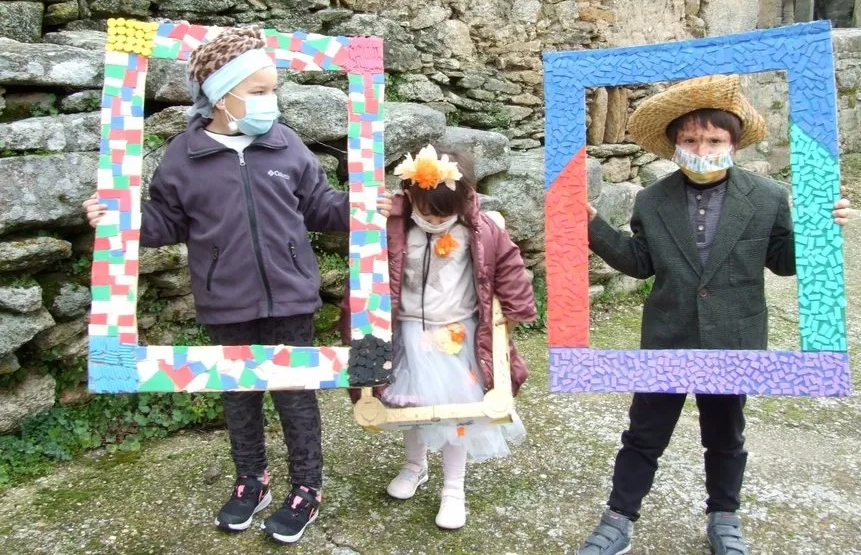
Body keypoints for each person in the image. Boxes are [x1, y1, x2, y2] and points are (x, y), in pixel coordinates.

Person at [83, 27, 391, 544]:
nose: (272, 101)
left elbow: (319, 206)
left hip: (291, 297)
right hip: (225, 300)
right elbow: (165, 222)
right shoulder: (184, 156)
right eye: (259, 91)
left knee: (295, 396)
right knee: (239, 395)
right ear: (222, 96)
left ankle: (306, 488)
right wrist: (119, 219)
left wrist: (360, 207)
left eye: (274, 89)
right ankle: (252, 481)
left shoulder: (287, 145)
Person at [576, 75, 850, 555]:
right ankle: (618, 519)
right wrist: (591, 225)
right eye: (690, 140)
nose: (702, 149)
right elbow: (640, 263)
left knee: (725, 436)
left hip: (734, 339)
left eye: (714, 140)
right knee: (643, 434)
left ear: (734, 144)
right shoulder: (652, 200)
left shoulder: (766, 197)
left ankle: (724, 517)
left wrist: (822, 231)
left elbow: (784, 262)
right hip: (668, 337)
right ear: (674, 145)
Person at [346, 144, 536, 529]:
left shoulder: (481, 230)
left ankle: (454, 486)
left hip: (457, 335)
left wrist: (514, 314)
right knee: (411, 408)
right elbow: (367, 268)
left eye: (442, 215)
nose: (433, 220)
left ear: (463, 201)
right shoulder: (396, 225)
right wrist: (384, 217)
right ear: (411, 194)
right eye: (425, 211)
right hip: (409, 333)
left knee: (457, 412)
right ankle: (415, 466)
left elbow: (509, 268)